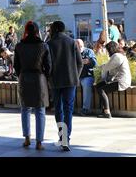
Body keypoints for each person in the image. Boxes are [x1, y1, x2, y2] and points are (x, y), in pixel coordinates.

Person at [14, 21, 52, 151]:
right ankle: (39, 142)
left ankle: (27, 138)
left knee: (25, 109)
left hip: (24, 77)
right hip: (39, 78)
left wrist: (21, 74)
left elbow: (16, 66)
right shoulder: (43, 46)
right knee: (40, 110)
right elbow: (48, 66)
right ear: (37, 31)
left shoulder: (19, 46)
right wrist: (45, 76)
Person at [46, 21, 83, 152]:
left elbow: (48, 65)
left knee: (58, 109)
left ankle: (62, 136)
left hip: (55, 81)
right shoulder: (72, 42)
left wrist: (49, 77)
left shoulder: (49, 44)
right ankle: (67, 138)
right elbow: (80, 63)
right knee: (68, 109)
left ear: (54, 29)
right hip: (70, 81)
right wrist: (75, 76)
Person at [96, 41, 132, 119]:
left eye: (107, 50)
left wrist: (100, 67)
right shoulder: (119, 55)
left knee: (102, 90)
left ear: (110, 49)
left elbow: (107, 67)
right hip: (118, 80)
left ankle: (107, 112)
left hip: (121, 81)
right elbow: (111, 71)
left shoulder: (117, 56)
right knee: (98, 86)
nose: (107, 52)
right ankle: (105, 109)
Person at [75, 39, 97, 116]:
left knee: (87, 85)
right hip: (76, 76)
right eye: (78, 46)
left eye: (81, 46)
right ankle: (70, 107)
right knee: (68, 86)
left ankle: (86, 109)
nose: (80, 48)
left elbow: (94, 63)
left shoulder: (89, 51)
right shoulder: (72, 52)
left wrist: (88, 61)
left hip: (87, 76)